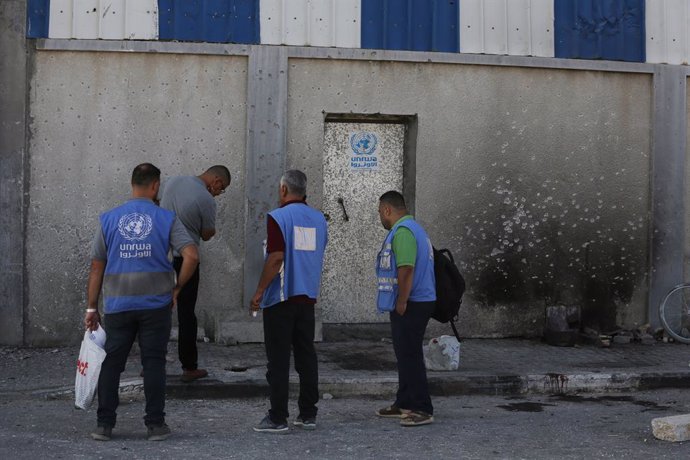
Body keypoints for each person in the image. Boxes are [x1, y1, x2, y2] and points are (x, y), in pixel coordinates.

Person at [84, 163, 199, 441]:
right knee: (154, 363)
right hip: (155, 305)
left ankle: (104, 424)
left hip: (118, 306)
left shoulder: (109, 219)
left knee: (111, 364)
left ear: (132, 183)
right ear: (156, 186)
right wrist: (177, 287)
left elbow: (97, 267)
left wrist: (91, 308)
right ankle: (155, 425)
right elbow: (192, 255)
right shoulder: (166, 218)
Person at [250, 170, 328, 433]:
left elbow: (276, 258)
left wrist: (260, 290)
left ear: (283, 190)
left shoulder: (278, 217)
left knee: (279, 359)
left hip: (281, 298)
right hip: (307, 297)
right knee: (306, 356)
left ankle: (277, 417)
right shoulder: (319, 219)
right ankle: (308, 413)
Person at [159, 165, 231, 382]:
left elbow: (155, 203)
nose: (219, 193)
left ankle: (152, 363)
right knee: (186, 313)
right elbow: (207, 233)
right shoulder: (207, 200)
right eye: (222, 189)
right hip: (185, 258)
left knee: (156, 312)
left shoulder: (172, 180)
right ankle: (189, 367)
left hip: (160, 256)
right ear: (216, 181)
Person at [374, 191, 436, 426]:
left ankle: (422, 408)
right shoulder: (412, 228)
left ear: (388, 210)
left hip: (413, 302)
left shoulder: (403, 232)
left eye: (380, 212)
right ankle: (404, 402)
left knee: (410, 355)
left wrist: (401, 300)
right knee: (405, 354)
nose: (380, 216)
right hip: (416, 300)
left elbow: (406, 268)